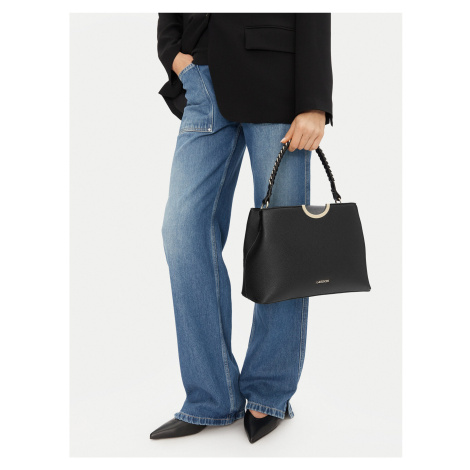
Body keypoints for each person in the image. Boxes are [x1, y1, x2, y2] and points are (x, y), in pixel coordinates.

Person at [150, 13, 333, 444]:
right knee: (182, 231)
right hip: (203, 81)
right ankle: (211, 397)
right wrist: (174, 54)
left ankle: (268, 392)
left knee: (283, 239)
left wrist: (314, 103)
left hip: (275, 82)